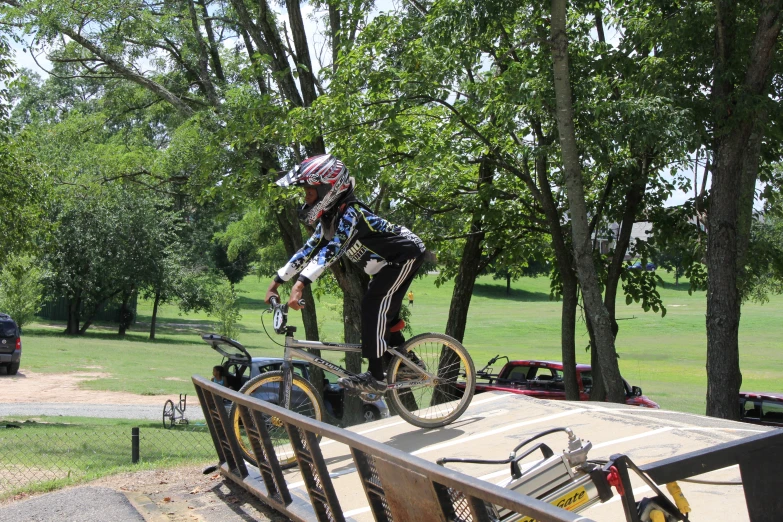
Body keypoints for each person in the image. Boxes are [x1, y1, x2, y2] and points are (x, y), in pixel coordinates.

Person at [265, 154, 428, 393]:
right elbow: (309, 250)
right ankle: (408, 362)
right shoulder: (331, 218)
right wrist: (277, 281)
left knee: (373, 305)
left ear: (328, 190)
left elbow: (332, 250)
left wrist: (299, 284)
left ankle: (375, 377)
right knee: (384, 312)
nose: (305, 199)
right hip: (385, 265)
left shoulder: (352, 213)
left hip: (404, 255)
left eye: (309, 193)